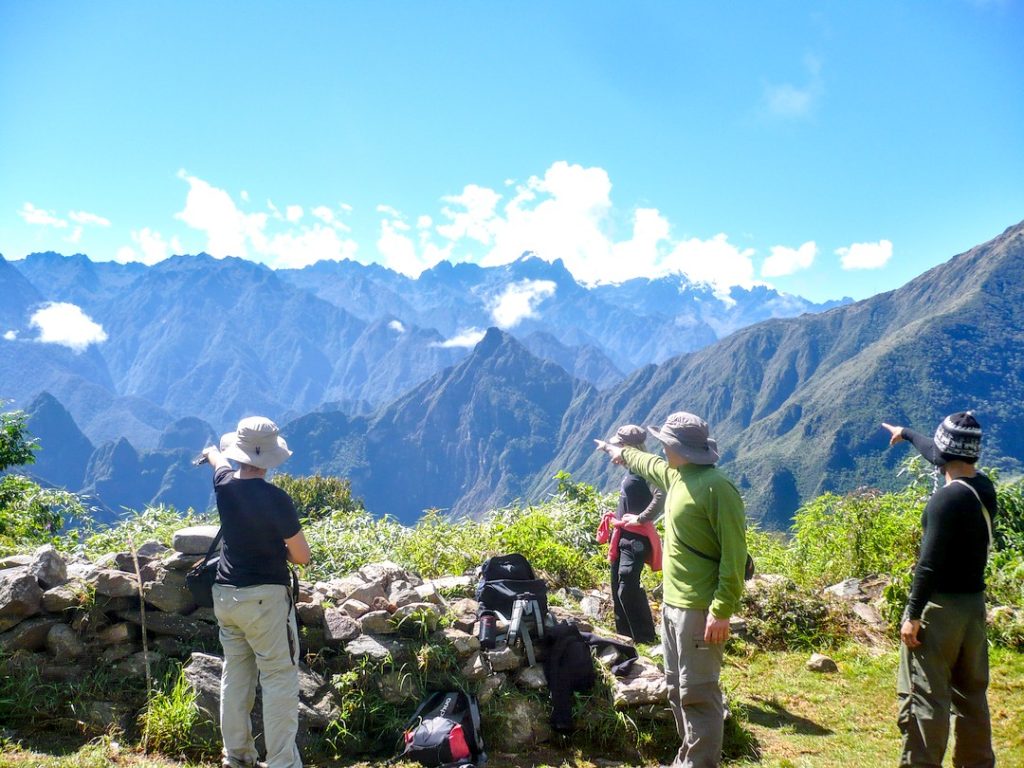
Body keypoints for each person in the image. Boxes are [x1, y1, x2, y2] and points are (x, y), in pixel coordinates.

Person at [596, 412, 747, 768]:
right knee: (677, 689)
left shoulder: (716, 487)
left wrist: (722, 609)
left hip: (699, 610)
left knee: (699, 695)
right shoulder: (676, 476)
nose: (661, 446)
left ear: (678, 447)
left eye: (666, 442)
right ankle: (688, 760)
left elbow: (734, 554)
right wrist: (613, 450)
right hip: (672, 605)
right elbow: (641, 459)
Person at [882, 412, 996, 768]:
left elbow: (927, 564)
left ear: (947, 453)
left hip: (939, 611)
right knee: (972, 695)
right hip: (973, 609)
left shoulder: (944, 502)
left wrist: (912, 615)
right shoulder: (984, 488)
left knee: (926, 698)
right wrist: (906, 434)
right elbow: (937, 452)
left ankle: (920, 763)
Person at [201, 416, 311, 768]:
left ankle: (237, 756)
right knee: (279, 678)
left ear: (239, 454)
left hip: (226, 595)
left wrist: (211, 453)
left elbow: (219, 465)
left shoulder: (225, 486)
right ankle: (281, 763)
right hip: (264, 601)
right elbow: (302, 556)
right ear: (270, 459)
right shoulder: (277, 500)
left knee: (236, 674)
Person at [595, 424, 664, 644]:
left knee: (627, 585)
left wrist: (641, 518)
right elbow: (617, 452)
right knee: (617, 586)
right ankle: (624, 637)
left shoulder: (645, 469)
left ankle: (644, 638)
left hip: (636, 537)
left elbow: (660, 495)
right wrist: (606, 447)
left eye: (619, 446)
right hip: (623, 535)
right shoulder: (635, 467)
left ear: (628, 447)